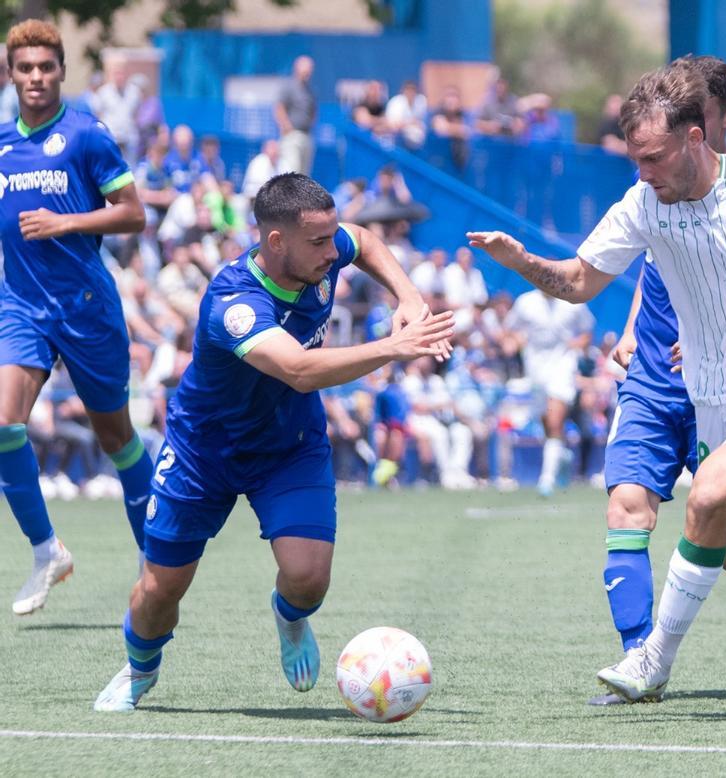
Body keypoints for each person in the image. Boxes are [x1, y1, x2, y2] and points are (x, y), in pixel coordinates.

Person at [468, 63, 726, 702]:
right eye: (635, 159)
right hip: (712, 395)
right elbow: (580, 282)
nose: (644, 172)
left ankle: (651, 660)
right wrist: (522, 261)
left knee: (705, 499)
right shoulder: (644, 202)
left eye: (654, 157)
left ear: (697, 137)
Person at [93, 173, 455, 711]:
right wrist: (394, 346)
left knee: (308, 578)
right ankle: (140, 669)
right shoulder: (234, 302)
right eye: (318, 243)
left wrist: (409, 297)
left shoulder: (322, 250)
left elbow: (368, 241)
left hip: (290, 443)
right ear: (275, 241)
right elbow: (300, 369)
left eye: (332, 238)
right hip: (203, 452)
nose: (333, 253)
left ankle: (289, 618)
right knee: (159, 590)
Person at [589, 55, 726, 707]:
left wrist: (717, 330)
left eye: (693, 114)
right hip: (653, 376)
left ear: (721, 122)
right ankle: (638, 658)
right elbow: (649, 254)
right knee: (627, 507)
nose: (676, 127)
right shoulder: (658, 187)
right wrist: (629, 331)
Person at [0, 20, 153, 615]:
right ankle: (46, 551)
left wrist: (64, 223)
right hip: (22, 305)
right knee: (5, 423)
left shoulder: (87, 135)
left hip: (87, 308)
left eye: (46, 67)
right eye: (24, 68)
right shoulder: (3, 147)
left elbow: (134, 214)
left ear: (62, 70)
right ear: (11, 75)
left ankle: (153, 559)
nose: (36, 77)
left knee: (116, 439)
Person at [504, 288, 595, 496]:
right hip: (535, 370)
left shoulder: (574, 302)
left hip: (563, 366)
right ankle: (561, 456)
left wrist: (576, 344)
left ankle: (546, 479)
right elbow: (510, 329)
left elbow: (587, 331)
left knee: (555, 421)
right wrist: (518, 341)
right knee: (546, 422)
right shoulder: (525, 301)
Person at [275, 56, 316, 175]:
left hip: (306, 135)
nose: (308, 71)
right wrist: (287, 126)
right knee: (292, 174)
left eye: (310, 69)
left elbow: (313, 110)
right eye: (306, 68)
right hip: (292, 136)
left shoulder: (309, 90)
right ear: (297, 68)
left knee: (303, 177)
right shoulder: (289, 87)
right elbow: (279, 108)